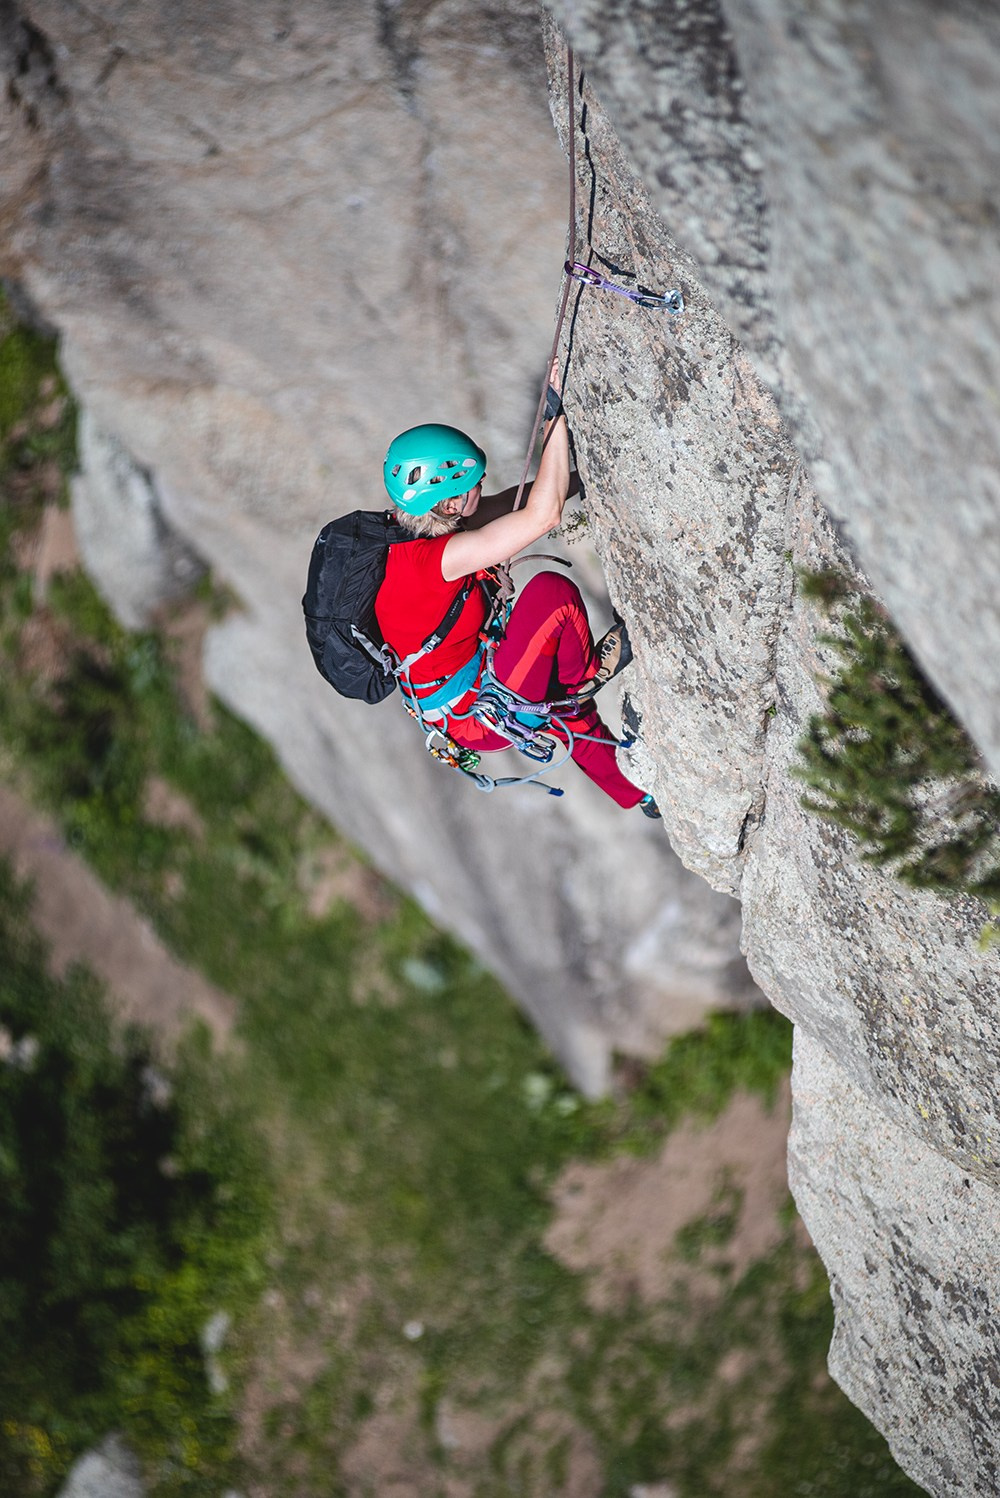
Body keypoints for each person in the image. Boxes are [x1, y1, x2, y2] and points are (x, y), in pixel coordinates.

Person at [374, 367, 659, 814]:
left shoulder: (419, 529)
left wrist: (588, 477)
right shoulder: (435, 562)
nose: (481, 488)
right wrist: (554, 423)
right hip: (477, 713)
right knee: (552, 599)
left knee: (558, 693)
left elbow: (519, 501)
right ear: (447, 502)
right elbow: (541, 518)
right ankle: (580, 683)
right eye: (472, 486)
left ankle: (636, 792)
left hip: (470, 680)